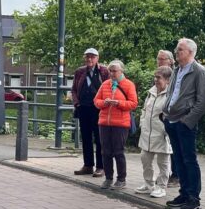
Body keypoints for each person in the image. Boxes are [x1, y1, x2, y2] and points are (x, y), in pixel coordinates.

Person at [162, 38, 205, 209]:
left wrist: (188, 121)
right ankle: (183, 193)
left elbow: (204, 99)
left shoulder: (199, 71)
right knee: (179, 159)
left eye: (180, 49)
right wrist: (165, 113)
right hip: (172, 120)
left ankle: (193, 198)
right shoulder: (177, 70)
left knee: (189, 160)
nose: (177, 52)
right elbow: (172, 92)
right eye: (177, 49)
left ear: (191, 52)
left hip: (185, 122)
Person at [93, 60, 138, 189]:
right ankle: (108, 178)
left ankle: (121, 179)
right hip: (104, 123)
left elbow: (133, 103)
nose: (112, 73)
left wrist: (118, 103)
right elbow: (96, 100)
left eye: (114, 71)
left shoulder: (129, 85)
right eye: (110, 71)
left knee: (118, 152)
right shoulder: (105, 84)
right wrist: (104, 103)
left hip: (120, 124)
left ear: (121, 71)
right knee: (105, 152)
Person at [71, 48, 109, 178]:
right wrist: (77, 103)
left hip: (99, 109)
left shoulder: (104, 71)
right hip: (84, 107)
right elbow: (74, 90)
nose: (89, 59)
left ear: (97, 58)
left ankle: (100, 167)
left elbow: (109, 87)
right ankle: (88, 165)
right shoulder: (80, 72)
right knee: (86, 137)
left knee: (99, 138)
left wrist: (104, 103)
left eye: (92, 57)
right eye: (87, 57)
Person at [135, 66, 173, 198]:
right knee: (145, 158)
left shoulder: (171, 94)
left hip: (162, 134)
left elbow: (171, 114)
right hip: (147, 133)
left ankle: (161, 187)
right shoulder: (150, 92)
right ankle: (148, 184)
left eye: (159, 77)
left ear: (168, 80)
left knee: (163, 163)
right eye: (155, 77)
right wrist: (142, 123)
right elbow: (145, 110)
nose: (155, 80)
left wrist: (167, 130)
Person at [157, 49, 180, 187]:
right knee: (163, 147)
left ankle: (176, 175)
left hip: (172, 116)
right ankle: (164, 174)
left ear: (170, 61)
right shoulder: (157, 75)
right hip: (159, 117)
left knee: (174, 147)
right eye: (158, 59)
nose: (159, 61)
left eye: (162, 59)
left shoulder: (175, 75)